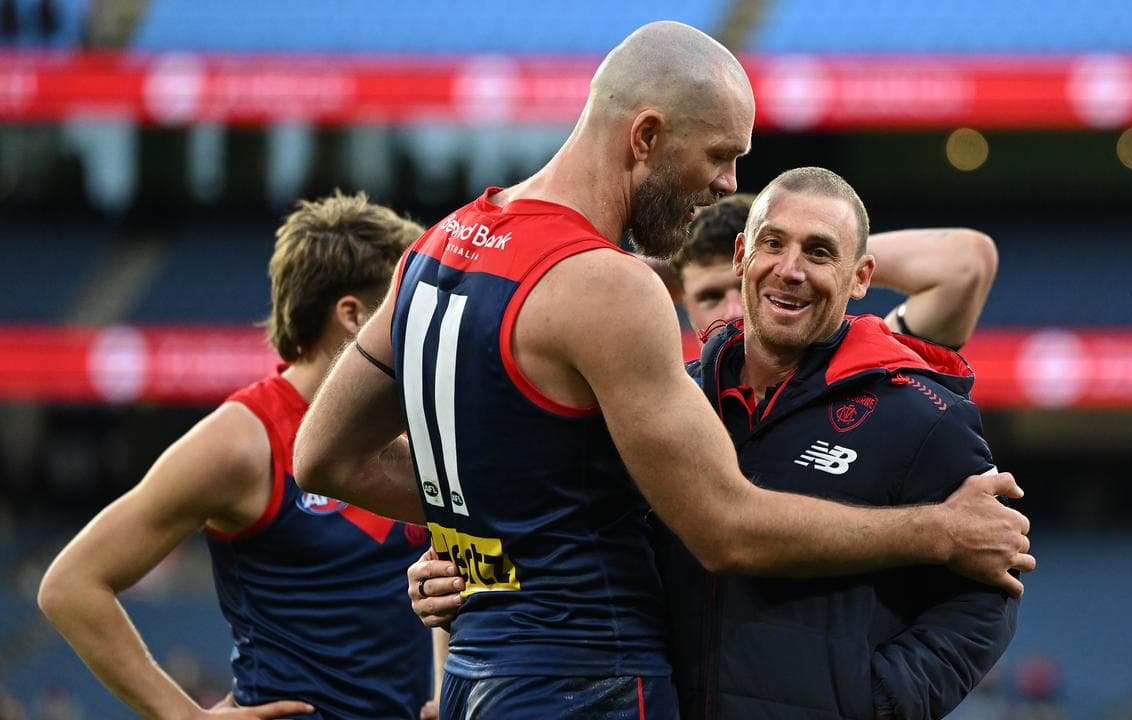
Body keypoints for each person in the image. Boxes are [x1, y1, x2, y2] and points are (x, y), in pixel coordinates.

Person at [294, 21, 1032, 719]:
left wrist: (494, 536)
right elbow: (725, 528)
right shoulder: (611, 286)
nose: (727, 184)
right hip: (590, 679)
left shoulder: (437, 247)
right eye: (719, 156)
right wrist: (939, 532)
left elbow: (323, 457)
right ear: (646, 136)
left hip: (478, 673)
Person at [410, 173, 1016, 718]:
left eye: (820, 252)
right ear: (741, 254)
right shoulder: (663, 404)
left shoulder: (919, 412)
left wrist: (880, 700)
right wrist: (468, 570)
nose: (790, 269)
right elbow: (572, 525)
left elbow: (992, 585)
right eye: (772, 244)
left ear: (861, 278)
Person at [38, 191, 440, 720]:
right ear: (352, 314)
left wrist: (446, 687)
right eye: (403, 308)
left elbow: (443, 562)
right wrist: (185, 716)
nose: (419, 326)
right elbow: (71, 585)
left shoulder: (413, 424)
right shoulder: (243, 440)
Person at [670, 192, 997, 347]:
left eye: (745, 286)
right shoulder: (670, 407)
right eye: (710, 296)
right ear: (684, 302)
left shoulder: (862, 382)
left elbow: (966, 262)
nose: (732, 313)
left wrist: (824, 259)